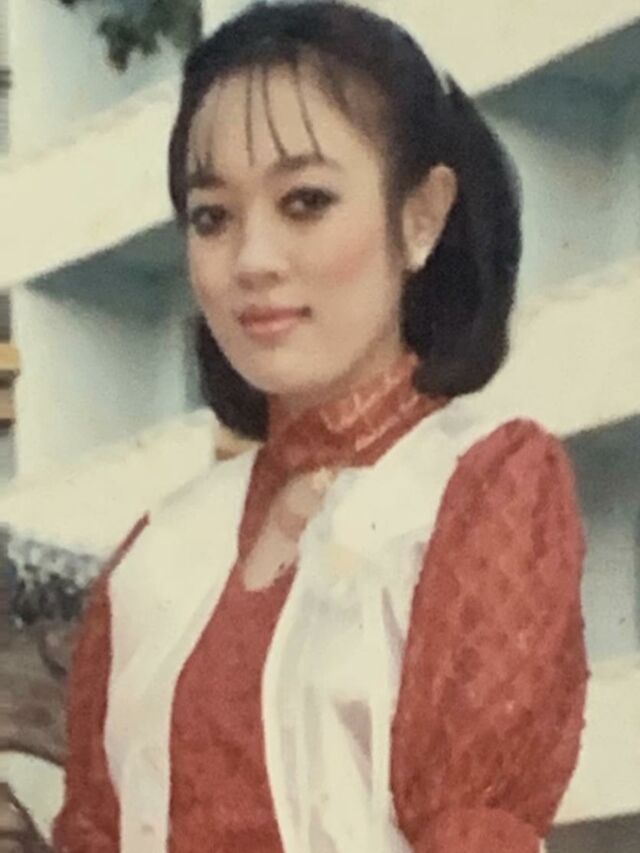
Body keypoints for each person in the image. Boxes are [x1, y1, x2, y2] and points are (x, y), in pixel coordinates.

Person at [53, 2, 588, 851]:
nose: (253, 260)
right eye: (212, 216)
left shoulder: (478, 487)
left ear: (421, 215)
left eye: (305, 201)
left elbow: (471, 825)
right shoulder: (158, 553)